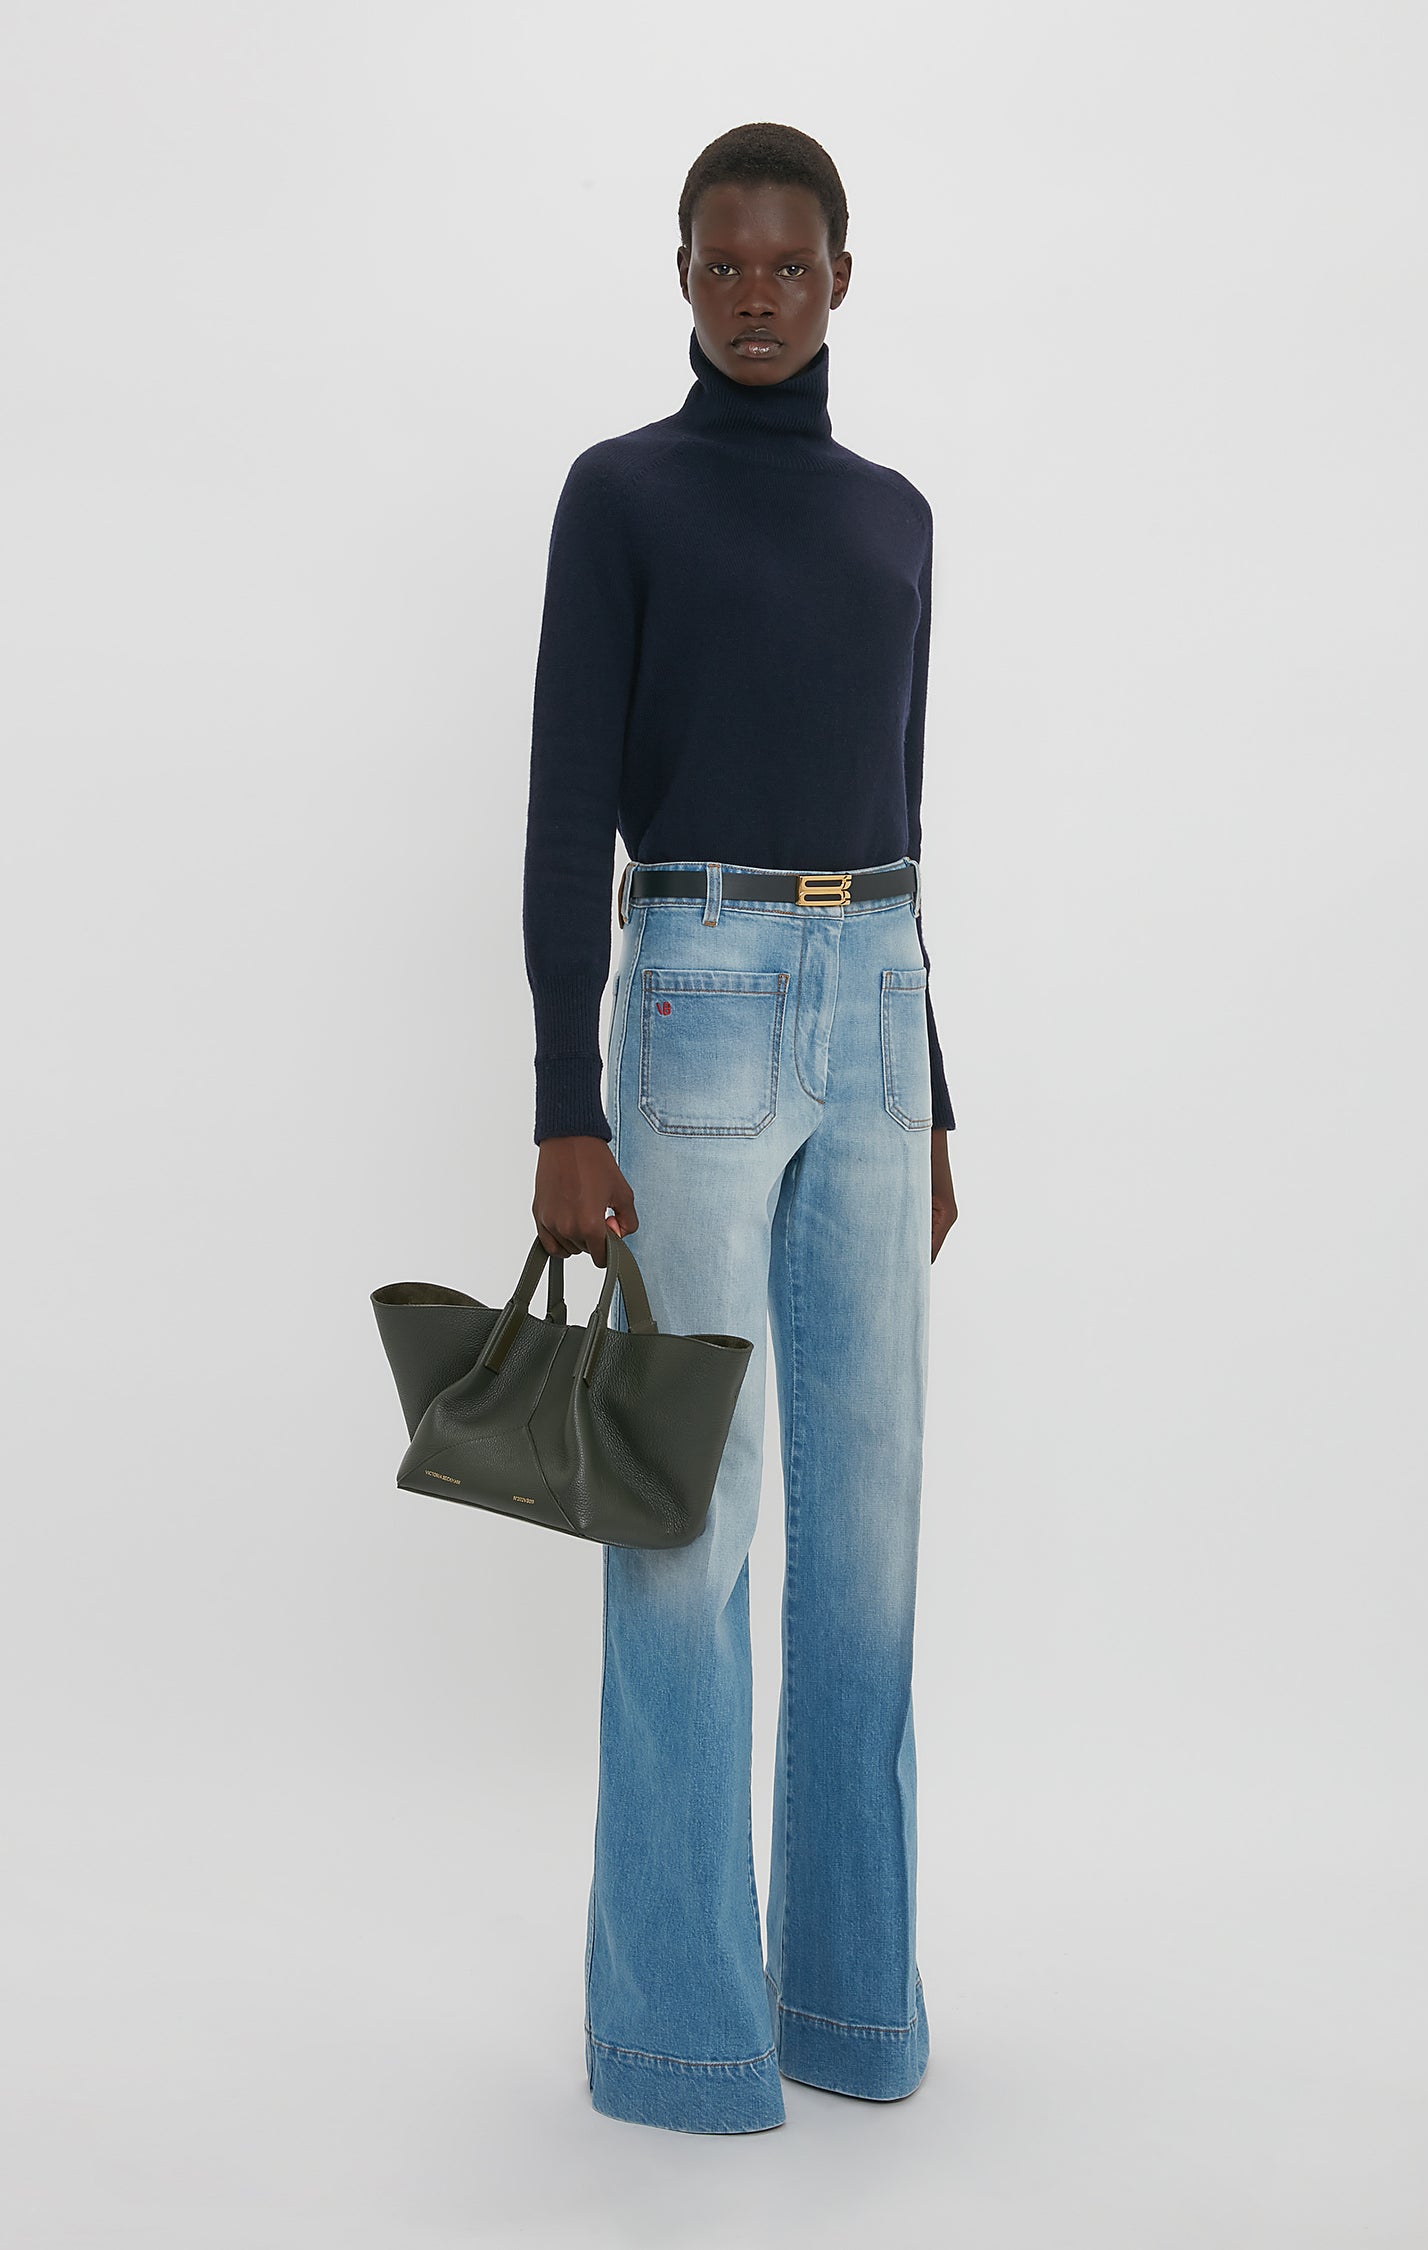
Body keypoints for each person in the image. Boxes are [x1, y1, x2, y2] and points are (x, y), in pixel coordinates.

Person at [520, 120, 959, 2135]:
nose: (755, 294)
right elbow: (557, 809)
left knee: (867, 1546)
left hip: (875, 994)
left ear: (842, 276)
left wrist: (931, 1082)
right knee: (687, 1532)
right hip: (687, 994)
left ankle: (852, 2015)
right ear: (681, 276)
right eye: (721, 264)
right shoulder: (621, 498)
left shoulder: (899, 518)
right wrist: (562, 1101)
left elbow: (900, 804)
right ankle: (684, 2037)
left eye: (788, 264)